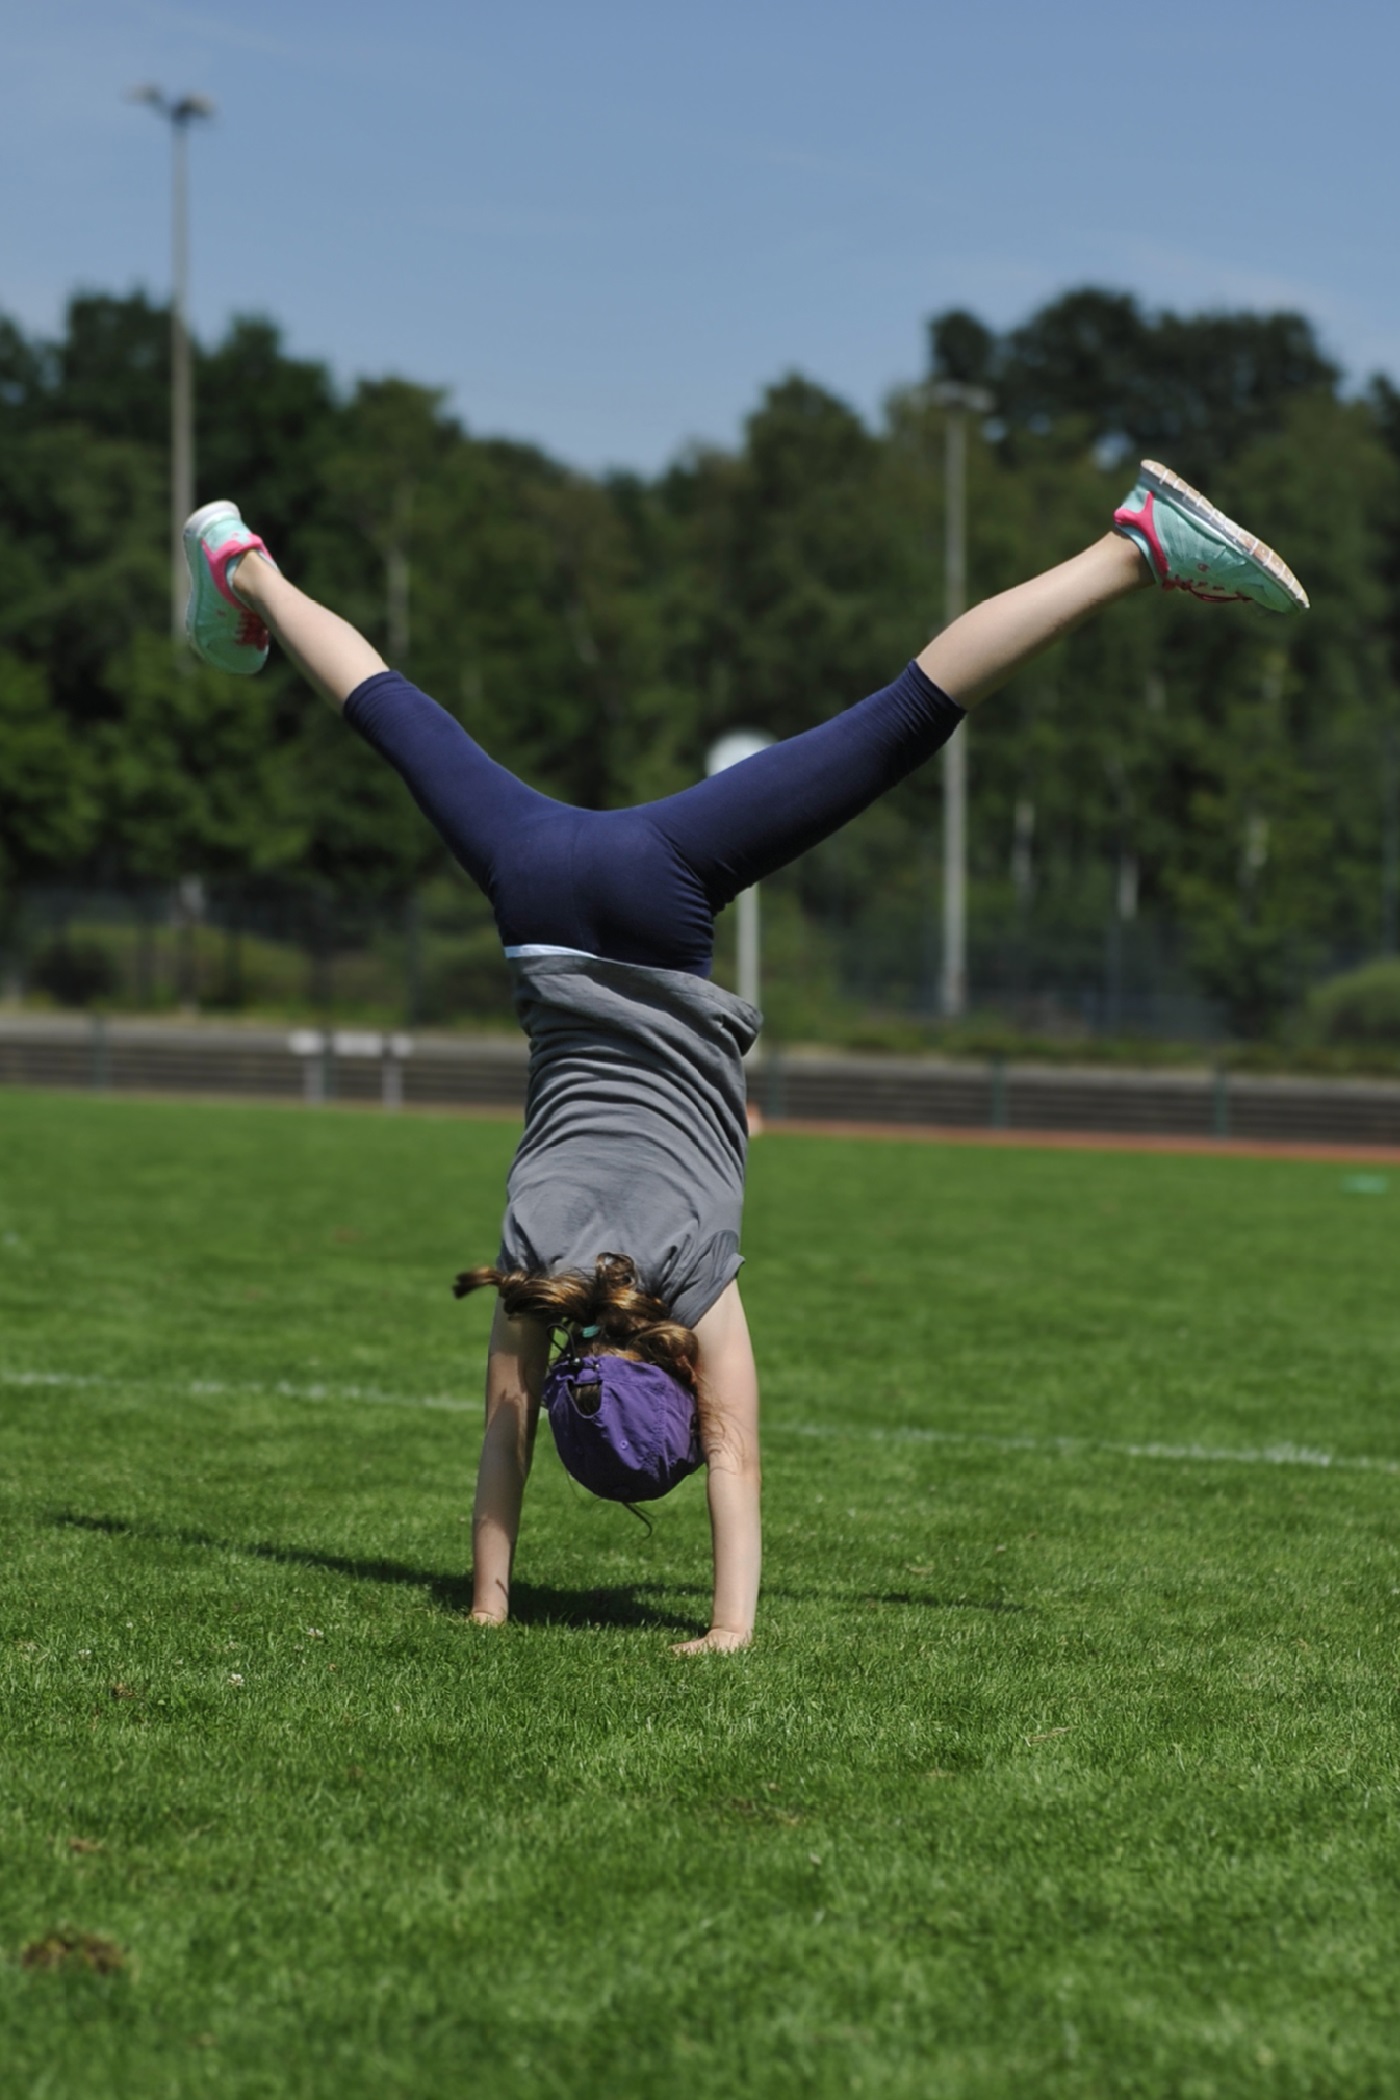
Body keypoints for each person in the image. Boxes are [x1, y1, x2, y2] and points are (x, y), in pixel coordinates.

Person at [182, 461, 1308, 1654]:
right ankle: (244, 563)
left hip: (662, 909)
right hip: (541, 891)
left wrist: (728, 1630)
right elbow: (501, 1439)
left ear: (668, 1385)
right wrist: (486, 1603)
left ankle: (1133, 547)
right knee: (394, 715)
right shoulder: (534, 1277)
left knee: (902, 720)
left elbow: (738, 1455)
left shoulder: (697, 1276)